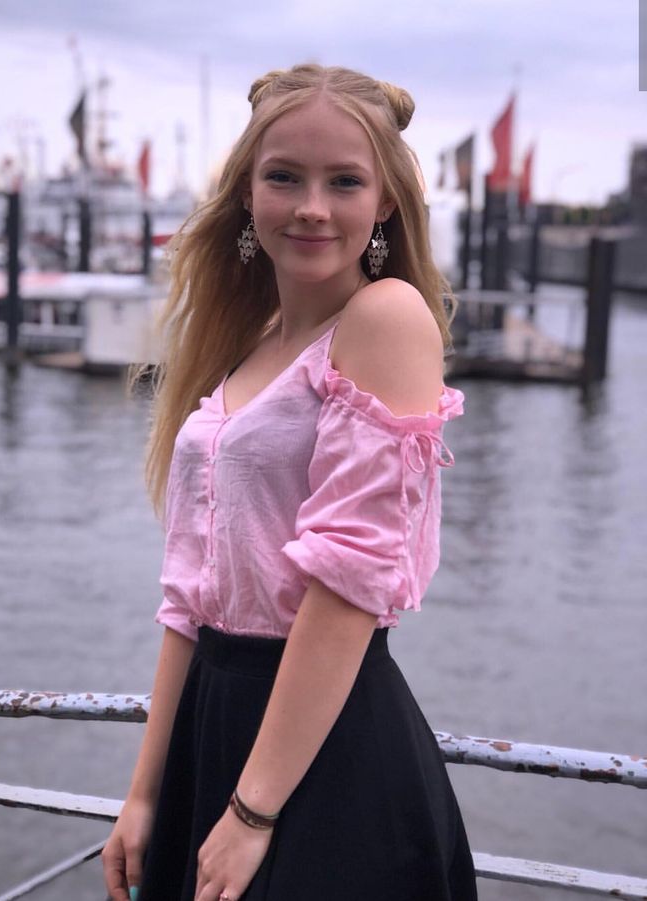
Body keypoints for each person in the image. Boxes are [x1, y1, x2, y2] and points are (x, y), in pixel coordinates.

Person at [102, 63, 478, 901]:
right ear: (247, 193)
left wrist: (253, 811)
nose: (312, 205)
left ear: (384, 202)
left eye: (344, 180)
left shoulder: (384, 318)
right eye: (284, 177)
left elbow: (348, 582)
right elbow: (190, 598)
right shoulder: (252, 337)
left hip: (324, 749)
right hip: (215, 732)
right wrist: (144, 790)